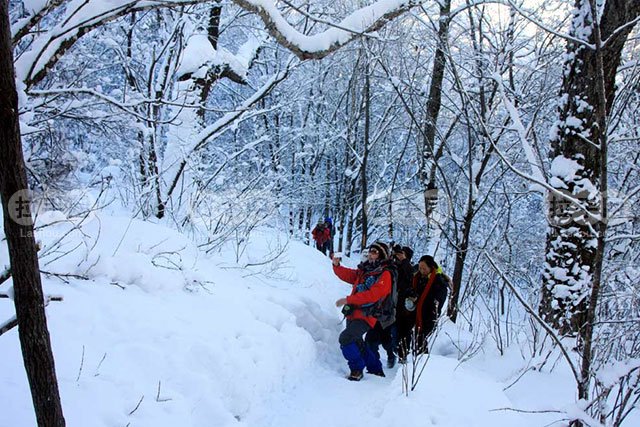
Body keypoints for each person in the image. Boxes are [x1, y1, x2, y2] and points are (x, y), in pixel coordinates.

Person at [332, 242, 393, 381]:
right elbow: (350, 275)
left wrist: (348, 300)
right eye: (370, 251)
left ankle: (357, 369)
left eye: (375, 252)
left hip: (367, 315)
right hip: (354, 313)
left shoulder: (385, 274)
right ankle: (375, 369)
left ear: (382, 255)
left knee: (346, 338)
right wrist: (337, 266)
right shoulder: (365, 270)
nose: (371, 254)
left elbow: (373, 295)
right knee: (358, 342)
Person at [404, 255, 448, 356]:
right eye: (420, 268)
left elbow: (437, 301)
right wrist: (411, 294)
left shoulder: (438, 281)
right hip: (416, 312)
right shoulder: (418, 277)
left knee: (420, 340)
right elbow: (410, 289)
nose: (421, 270)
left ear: (431, 267)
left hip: (429, 315)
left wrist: (419, 299)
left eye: (424, 268)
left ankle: (422, 363)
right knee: (415, 339)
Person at [391, 245, 416, 362]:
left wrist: (404, 261)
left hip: (406, 307)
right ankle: (396, 351)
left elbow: (409, 275)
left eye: (402, 254)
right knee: (396, 330)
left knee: (404, 332)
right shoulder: (398, 266)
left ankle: (403, 355)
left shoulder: (410, 268)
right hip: (396, 304)